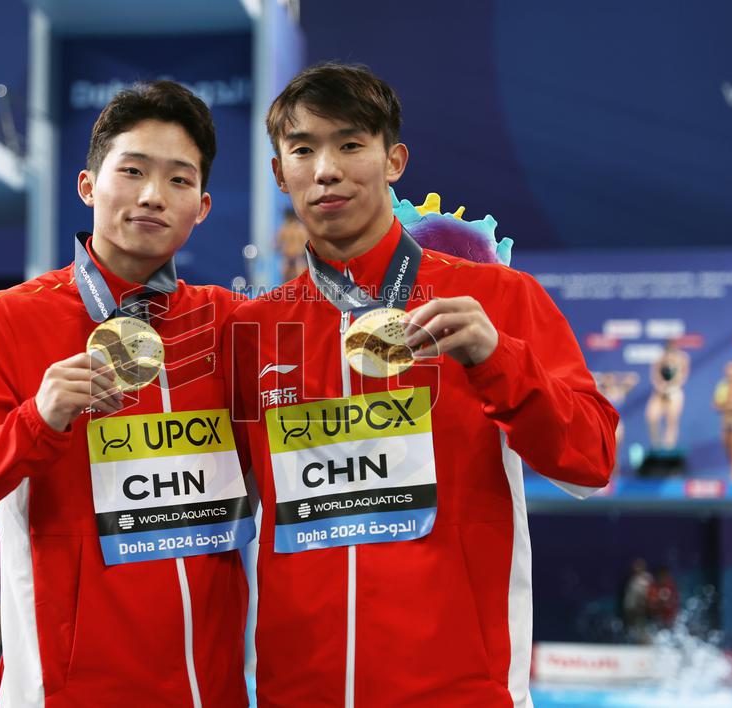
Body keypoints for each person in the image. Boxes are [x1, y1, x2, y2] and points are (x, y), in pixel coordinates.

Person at [225, 62, 618, 706]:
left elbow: (591, 461)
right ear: (279, 173)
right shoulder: (255, 328)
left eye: (351, 144)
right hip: (298, 691)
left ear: (394, 160)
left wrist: (497, 359)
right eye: (303, 149)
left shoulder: (496, 298)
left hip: (459, 688)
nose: (326, 169)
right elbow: (211, 508)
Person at [0, 81, 253, 707]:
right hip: (60, 691)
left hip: (208, 692)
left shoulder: (230, 324)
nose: (152, 195)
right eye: (133, 171)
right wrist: (36, 419)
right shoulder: (6, 320)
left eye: (178, 180)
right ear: (89, 186)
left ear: (201, 207)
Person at [646, 339, 689, 449]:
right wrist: (661, 387)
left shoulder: (683, 358)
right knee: (651, 416)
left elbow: (683, 376)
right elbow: (654, 375)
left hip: (674, 391)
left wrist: (671, 388)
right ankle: (656, 445)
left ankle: (669, 448)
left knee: (672, 418)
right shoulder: (659, 358)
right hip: (659, 391)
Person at [596, 371, 640, 474]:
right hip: (603, 425)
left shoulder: (620, 391)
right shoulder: (600, 391)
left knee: (614, 455)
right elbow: (591, 377)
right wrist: (603, 377)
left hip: (616, 426)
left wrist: (616, 376)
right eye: (607, 380)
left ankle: (614, 477)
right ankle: (603, 476)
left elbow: (634, 377)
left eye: (610, 380)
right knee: (602, 454)